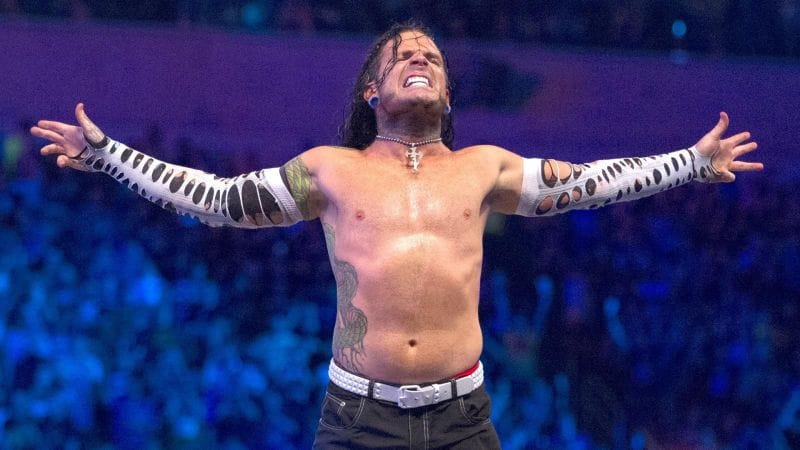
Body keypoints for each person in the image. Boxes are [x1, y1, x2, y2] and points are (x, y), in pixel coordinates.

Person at [31, 20, 761, 450]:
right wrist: (109, 155)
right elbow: (218, 200)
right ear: (371, 92)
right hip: (357, 419)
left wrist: (691, 162)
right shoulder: (330, 169)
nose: (420, 59)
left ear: (447, 95)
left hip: (463, 418)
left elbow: (592, 183)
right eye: (403, 56)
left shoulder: (484, 167)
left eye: (432, 58)